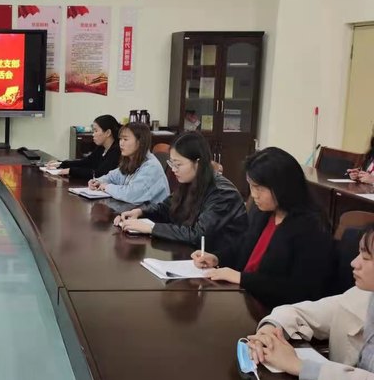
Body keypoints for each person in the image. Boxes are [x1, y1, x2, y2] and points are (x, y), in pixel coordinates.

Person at [245, 224, 374, 380]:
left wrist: (299, 366)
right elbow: (300, 312)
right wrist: (268, 332)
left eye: (366, 257)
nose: (354, 263)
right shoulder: (362, 296)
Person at [191, 147, 334, 307]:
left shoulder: (311, 228)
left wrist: (241, 278)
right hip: (244, 297)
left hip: (272, 310)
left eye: (259, 188)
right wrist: (216, 258)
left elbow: (299, 289)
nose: (254, 195)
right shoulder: (264, 212)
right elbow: (243, 247)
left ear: (283, 187)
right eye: (251, 186)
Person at [114, 132, 247, 249]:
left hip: (217, 261)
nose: (173, 169)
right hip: (191, 254)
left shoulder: (222, 194)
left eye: (178, 164)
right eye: (172, 163)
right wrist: (140, 212)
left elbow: (198, 235)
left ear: (198, 163)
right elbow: (166, 208)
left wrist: (151, 228)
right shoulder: (190, 181)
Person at [88, 122, 169, 204]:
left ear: (140, 142)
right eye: (120, 139)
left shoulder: (151, 166)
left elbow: (131, 195)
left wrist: (107, 187)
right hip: (135, 209)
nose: (121, 143)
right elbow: (112, 177)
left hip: (150, 212)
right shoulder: (131, 160)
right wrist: (98, 181)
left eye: (125, 139)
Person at [45, 115, 121, 180]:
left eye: (96, 131)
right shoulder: (101, 148)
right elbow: (85, 162)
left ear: (108, 133)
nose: (93, 134)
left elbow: (99, 174)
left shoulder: (116, 151)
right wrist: (61, 164)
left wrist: (71, 171)